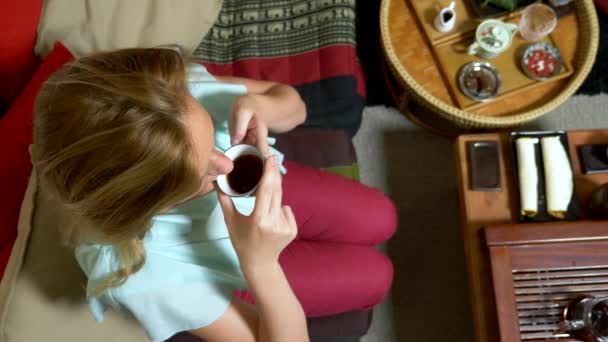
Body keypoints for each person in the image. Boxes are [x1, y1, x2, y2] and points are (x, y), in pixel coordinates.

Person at [32, 47, 397, 342]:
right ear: (150, 205)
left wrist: (266, 106)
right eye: (201, 175)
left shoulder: (172, 98)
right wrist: (261, 264)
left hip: (280, 187)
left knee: (383, 216)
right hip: (246, 265)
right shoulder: (142, 276)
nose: (226, 164)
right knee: (377, 277)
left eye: (212, 139)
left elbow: (294, 105)